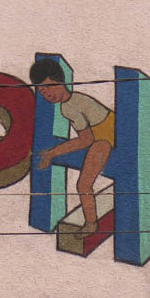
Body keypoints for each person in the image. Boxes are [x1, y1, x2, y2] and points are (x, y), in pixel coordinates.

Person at [30, 58, 114, 239]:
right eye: (42, 91)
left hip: (107, 140)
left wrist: (53, 153)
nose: (48, 94)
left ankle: (91, 223)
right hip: (101, 140)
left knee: (83, 184)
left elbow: (86, 139)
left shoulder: (72, 104)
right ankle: (91, 222)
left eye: (50, 86)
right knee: (83, 183)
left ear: (61, 81)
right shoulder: (67, 106)